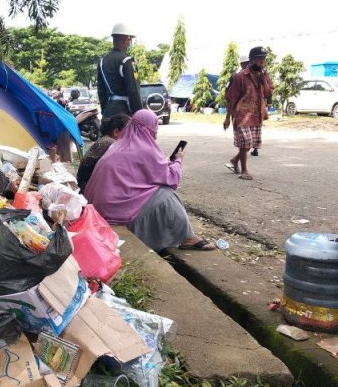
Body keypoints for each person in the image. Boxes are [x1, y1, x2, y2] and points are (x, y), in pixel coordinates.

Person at [84, 109, 214, 252]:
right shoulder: (146, 149)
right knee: (167, 194)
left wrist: (163, 163)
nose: (156, 132)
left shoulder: (118, 144)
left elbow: (136, 175)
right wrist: (178, 161)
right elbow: (171, 179)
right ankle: (187, 237)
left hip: (100, 209)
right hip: (116, 213)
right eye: (155, 127)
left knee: (153, 192)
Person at [223, 46, 274, 180]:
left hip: (256, 115)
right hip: (242, 114)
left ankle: (234, 161)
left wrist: (263, 78)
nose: (262, 62)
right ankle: (244, 171)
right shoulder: (240, 77)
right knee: (245, 142)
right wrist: (227, 118)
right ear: (251, 60)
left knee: (251, 144)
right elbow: (232, 98)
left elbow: (268, 93)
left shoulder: (263, 75)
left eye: (263, 59)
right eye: (259, 59)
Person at [97, 23, 143, 118]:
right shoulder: (127, 60)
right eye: (130, 39)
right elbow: (133, 90)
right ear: (125, 40)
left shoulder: (102, 61)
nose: (130, 42)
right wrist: (138, 114)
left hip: (108, 111)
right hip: (125, 112)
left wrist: (104, 110)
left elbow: (101, 91)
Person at [76, 113, 129, 192]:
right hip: (88, 186)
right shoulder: (111, 144)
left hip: (84, 182)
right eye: (129, 132)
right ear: (116, 132)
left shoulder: (106, 139)